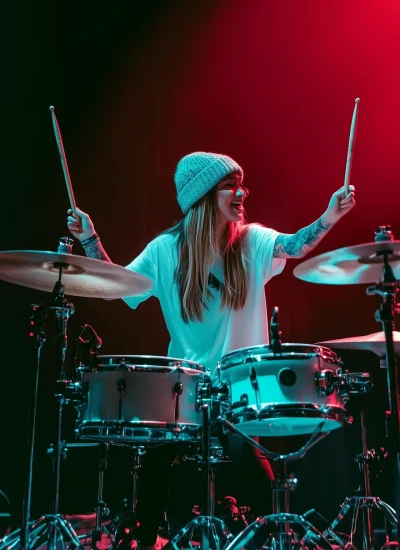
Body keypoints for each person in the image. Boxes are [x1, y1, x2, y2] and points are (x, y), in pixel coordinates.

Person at [67, 151, 355, 549]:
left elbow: (295, 246)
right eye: (230, 186)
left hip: (239, 389)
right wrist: (89, 239)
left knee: (258, 476)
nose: (242, 193)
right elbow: (117, 287)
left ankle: (274, 539)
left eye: (242, 184)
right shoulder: (165, 250)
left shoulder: (251, 240)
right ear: (203, 197)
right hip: (186, 391)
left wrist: (330, 216)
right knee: (154, 469)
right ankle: (148, 540)